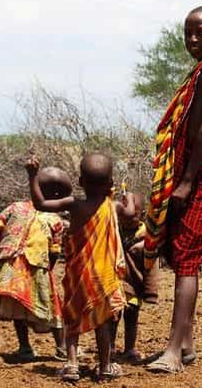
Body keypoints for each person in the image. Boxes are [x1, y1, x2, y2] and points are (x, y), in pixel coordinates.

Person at [143, 5, 202, 373]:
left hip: (196, 177)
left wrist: (188, 181)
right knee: (178, 250)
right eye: (188, 33)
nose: (193, 39)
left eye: (201, 32)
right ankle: (185, 344)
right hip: (198, 174)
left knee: (186, 260)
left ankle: (171, 352)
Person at [27, 152, 136, 382]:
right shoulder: (113, 206)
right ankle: (106, 365)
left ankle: (72, 364)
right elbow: (131, 213)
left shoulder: (74, 204)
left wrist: (33, 176)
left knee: (72, 317)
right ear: (111, 183)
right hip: (103, 277)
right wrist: (130, 198)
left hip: (79, 275)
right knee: (103, 321)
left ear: (80, 182)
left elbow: (41, 204)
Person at [0, 167, 71, 362]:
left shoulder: (15, 207)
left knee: (16, 305)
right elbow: (54, 251)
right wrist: (48, 268)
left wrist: (0, 248)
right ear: (57, 196)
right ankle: (61, 348)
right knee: (52, 307)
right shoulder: (55, 219)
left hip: (10, 263)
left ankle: (25, 347)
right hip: (37, 267)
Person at [110, 193, 159, 363]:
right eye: (123, 217)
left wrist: (151, 292)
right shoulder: (114, 230)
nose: (128, 220)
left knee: (131, 319)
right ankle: (109, 347)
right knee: (113, 318)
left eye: (133, 216)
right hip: (115, 285)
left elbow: (152, 265)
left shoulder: (146, 236)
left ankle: (129, 348)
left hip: (134, 285)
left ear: (142, 214)